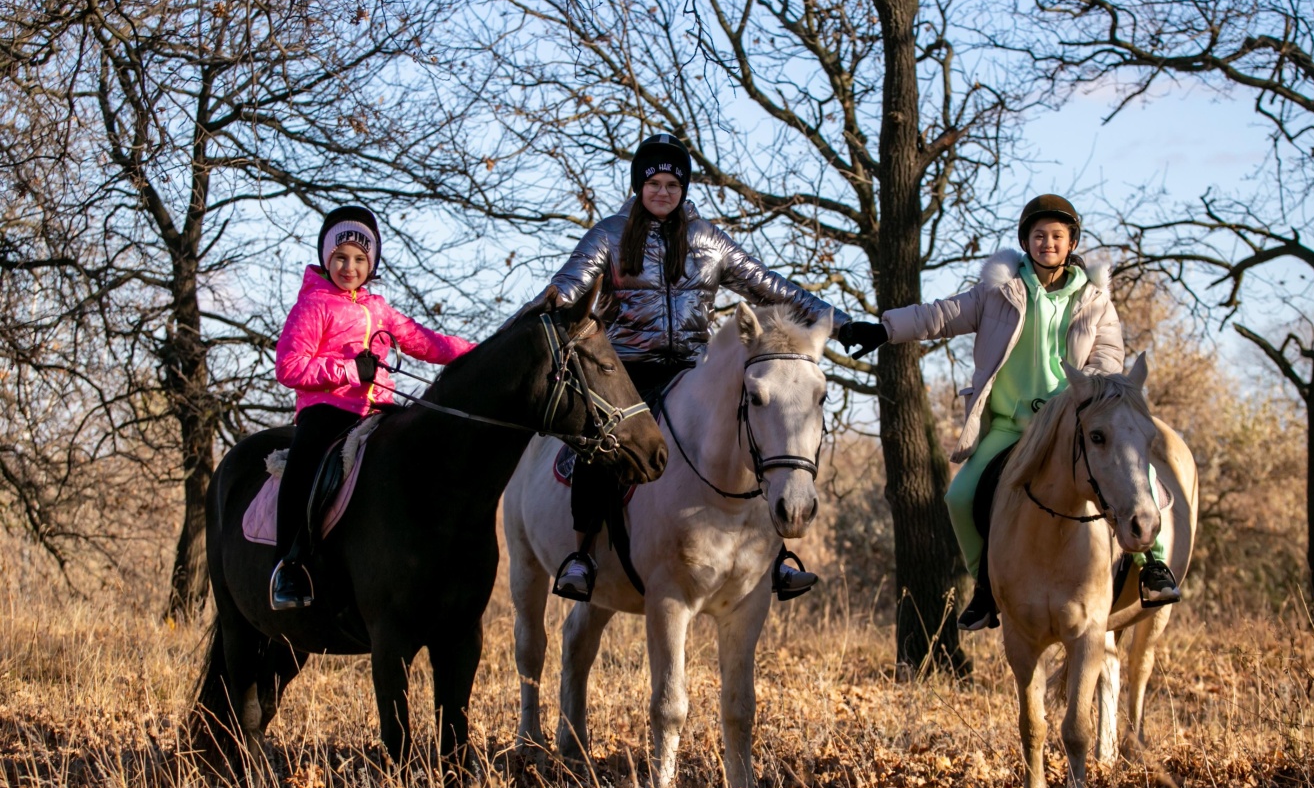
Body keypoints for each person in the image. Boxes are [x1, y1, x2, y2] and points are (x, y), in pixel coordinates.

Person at [541, 133, 863, 601]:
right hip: (628, 371)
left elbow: (768, 285)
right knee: (601, 443)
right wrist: (539, 317)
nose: (664, 192)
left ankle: (773, 560)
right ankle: (582, 555)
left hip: (694, 368)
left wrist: (840, 323)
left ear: (683, 189)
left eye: (674, 184)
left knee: (754, 432)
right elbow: (567, 288)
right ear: (639, 187)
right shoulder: (607, 236)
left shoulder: (707, 239)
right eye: (655, 184)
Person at [837, 195, 1181, 630]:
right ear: (1026, 241)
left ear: (1071, 242)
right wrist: (884, 329)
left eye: (1057, 236)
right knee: (959, 497)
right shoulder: (996, 293)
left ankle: (1153, 565)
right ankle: (986, 586)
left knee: (1136, 469)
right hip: (1010, 425)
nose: (1048, 243)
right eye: (1039, 236)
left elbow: (1109, 357)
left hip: (1070, 424)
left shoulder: (1096, 300)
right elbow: (940, 316)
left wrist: (1086, 390)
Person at [269, 205, 476, 610]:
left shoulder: (379, 309)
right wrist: (349, 369)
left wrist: (480, 351)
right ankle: (288, 564)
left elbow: (427, 342)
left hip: (377, 410)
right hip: (327, 410)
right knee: (306, 462)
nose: (350, 266)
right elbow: (289, 367)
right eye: (341, 257)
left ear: (372, 263)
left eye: (360, 259)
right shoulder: (313, 306)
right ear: (326, 258)